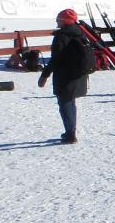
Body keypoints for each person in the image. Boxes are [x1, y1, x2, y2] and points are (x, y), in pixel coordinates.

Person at [38, 9, 89, 144]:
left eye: (58, 19)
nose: (56, 21)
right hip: (79, 75)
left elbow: (56, 59)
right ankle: (70, 131)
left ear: (64, 21)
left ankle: (70, 134)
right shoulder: (80, 32)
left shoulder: (62, 36)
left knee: (65, 103)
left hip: (65, 75)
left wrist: (44, 75)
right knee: (71, 102)